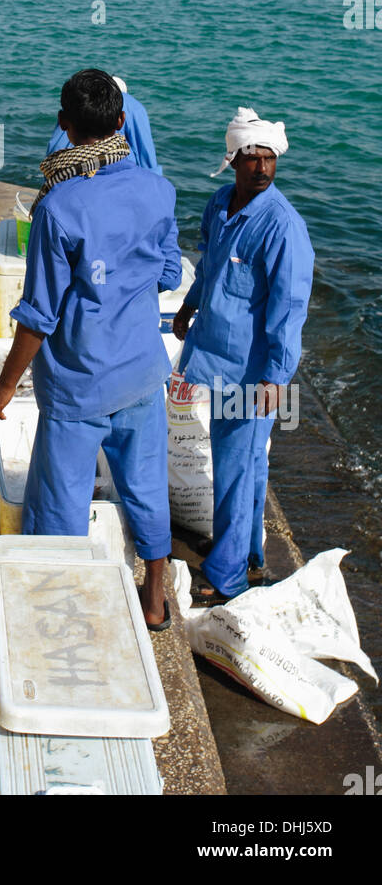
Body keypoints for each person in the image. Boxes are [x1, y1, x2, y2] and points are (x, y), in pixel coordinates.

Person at [0, 69, 182, 630]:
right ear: (122, 122)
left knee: (60, 503)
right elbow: (168, 273)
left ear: (66, 127)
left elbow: (39, 316)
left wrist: (3, 386)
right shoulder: (158, 190)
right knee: (144, 487)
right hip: (143, 372)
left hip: (78, 385)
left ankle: (63, 606)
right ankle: (155, 598)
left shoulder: (58, 207)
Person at [171, 107, 314, 603]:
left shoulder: (282, 227)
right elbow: (209, 266)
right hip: (214, 356)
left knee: (234, 467)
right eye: (251, 157)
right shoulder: (218, 204)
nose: (261, 167)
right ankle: (251, 554)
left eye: (268, 157)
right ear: (233, 159)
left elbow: (289, 307)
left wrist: (277, 376)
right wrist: (188, 307)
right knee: (247, 461)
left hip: (251, 373)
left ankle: (227, 575)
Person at [45, 76, 162, 174]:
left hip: (61, 167)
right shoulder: (133, 106)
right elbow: (145, 152)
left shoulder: (79, 101)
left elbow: (56, 142)